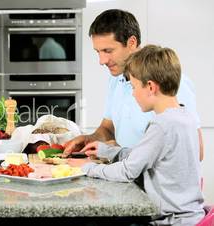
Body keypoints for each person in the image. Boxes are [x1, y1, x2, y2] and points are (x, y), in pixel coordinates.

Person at [79, 45, 205, 225]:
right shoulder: (184, 117)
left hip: (171, 221)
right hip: (190, 217)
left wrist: (85, 168)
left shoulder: (161, 125)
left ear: (151, 87)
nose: (133, 94)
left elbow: (127, 171)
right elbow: (145, 156)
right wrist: (106, 151)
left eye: (134, 87)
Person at [62, 9, 204, 160]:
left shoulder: (170, 81)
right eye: (98, 52)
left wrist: (121, 153)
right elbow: (107, 129)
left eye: (108, 51)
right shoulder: (116, 79)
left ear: (131, 43)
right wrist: (89, 139)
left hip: (155, 182)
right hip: (129, 176)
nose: (102, 61)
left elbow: (195, 151)